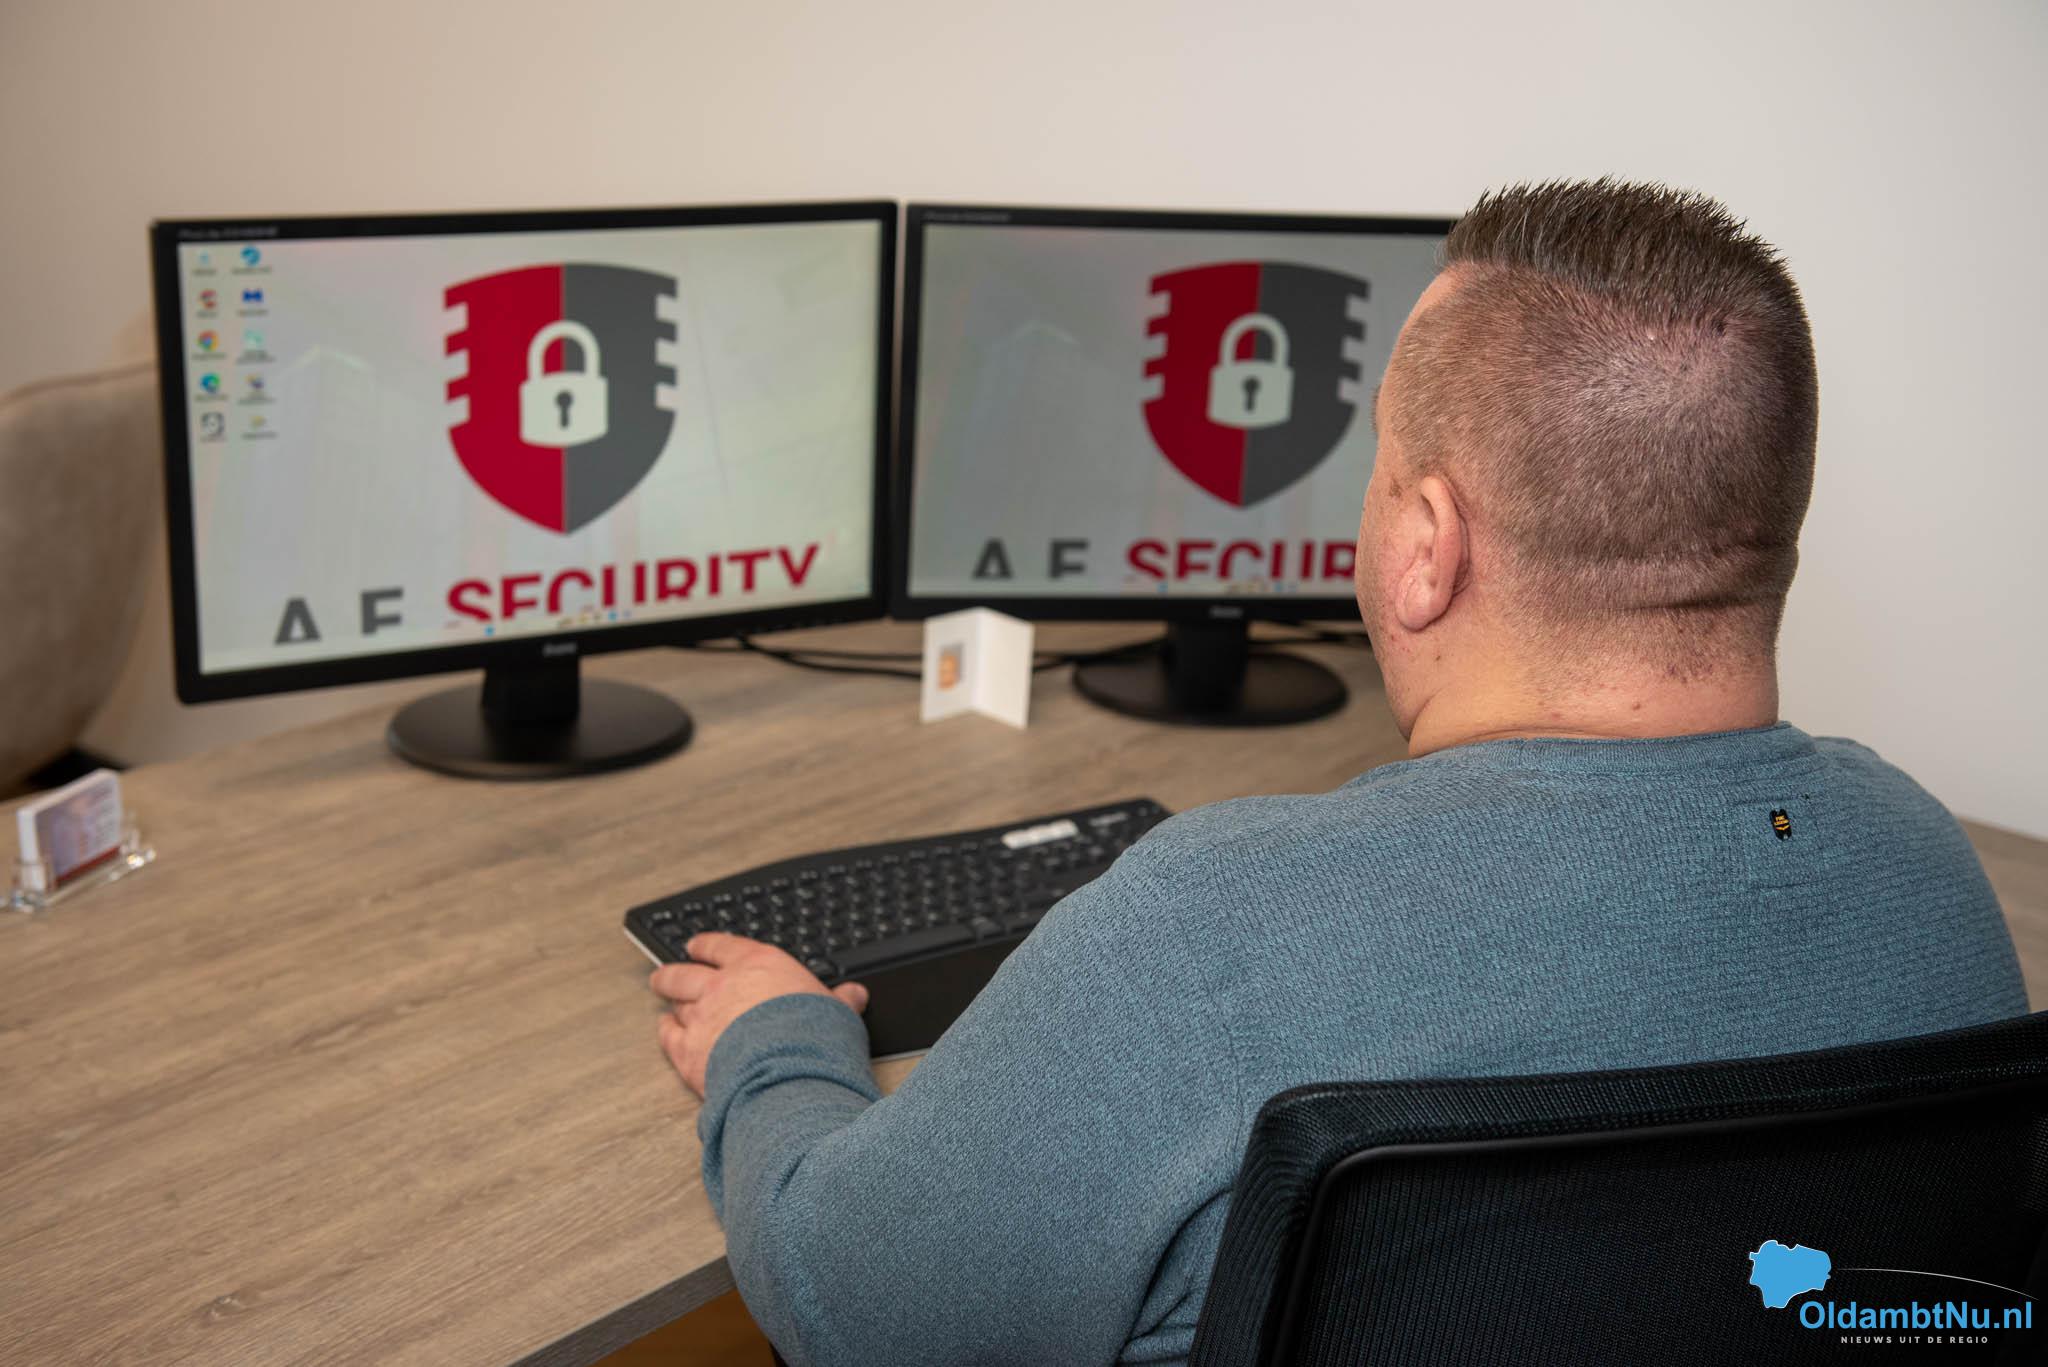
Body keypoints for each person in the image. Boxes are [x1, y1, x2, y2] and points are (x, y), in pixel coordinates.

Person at [647, 180, 2026, 1366]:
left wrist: (778, 1048)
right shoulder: (1932, 875)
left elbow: (855, 1313)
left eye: (1379, 463)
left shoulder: (1214, 926)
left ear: (1427, 546)